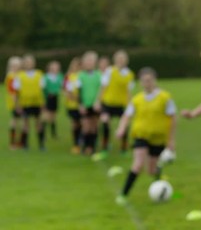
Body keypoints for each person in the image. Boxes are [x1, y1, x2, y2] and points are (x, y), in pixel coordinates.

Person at [115, 67, 177, 205]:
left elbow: (172, 118)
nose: (147, 83)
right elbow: (126, 116)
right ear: (141, 82)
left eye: (149, 80)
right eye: (144, 81)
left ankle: (162, 191)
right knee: (137, 164)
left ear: (155, 81)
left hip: (158, 138)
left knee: (152, 170)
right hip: (141, 136)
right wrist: (121, 128)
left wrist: (171, 140)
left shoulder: (164, 97)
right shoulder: (137, 99)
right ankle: (123, 194)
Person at [98, 50, 135, 155]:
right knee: (105, 122)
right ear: (115, 60)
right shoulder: (109, 71)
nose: (120, 61)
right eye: (118, 59)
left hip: (121, 104)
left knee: (124, 125)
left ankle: (123, 147)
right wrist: (99, 101)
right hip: (108, 103)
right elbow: (103, 87)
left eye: (122, 59)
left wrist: (131, 104)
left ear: (126, 61)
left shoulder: (129, 74)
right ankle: (105, 146)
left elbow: (129, 91)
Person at [13, 54, 46, 151]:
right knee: (25, 124)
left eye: (31, 62)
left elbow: (42, 89)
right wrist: (17, 104)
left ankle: (41, 145)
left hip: (37, 103)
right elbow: (16, 92)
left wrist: (43, 103)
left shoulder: (39, 74)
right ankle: (25, 145)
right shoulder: (20, 76)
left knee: (39, 123)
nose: (29, 64)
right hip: (25, 103)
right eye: (27, 62)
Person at [76, 51, 102, 155]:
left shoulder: (99, 75)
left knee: (94, 126)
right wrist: (80, 104)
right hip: (85, 104)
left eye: (91, 61)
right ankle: (85, 146)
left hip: (95, 104)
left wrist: (98, 102)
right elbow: (79, 91)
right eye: (87, 61)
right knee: (86, 126)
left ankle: (92, 147)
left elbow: (101, 90)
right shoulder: (81, 76)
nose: (89, 63)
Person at [64, 57, 82, 154]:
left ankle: (82, 142)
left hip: (82, 104)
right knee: (75, 123)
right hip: (73, 105)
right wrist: (76, 98)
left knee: (83, 124)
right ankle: (76, 144)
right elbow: (67, 91)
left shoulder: (82, 75)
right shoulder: (69, 76)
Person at [4, 56, 22, 150]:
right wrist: (17, 104)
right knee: (15, 121)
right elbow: (12, 93)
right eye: (15, 65)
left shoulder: (18, 75)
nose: (17, 67)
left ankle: (18, 141)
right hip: (15, 103)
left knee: (19, 121)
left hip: (20, 101)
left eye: (18, 65)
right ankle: (13, 143)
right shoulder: (11, 76)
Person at [43, 60, 64, 139]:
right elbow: (43, 88)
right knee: (47, 115)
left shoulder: (59, 76)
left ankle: (53, 133)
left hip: (55, 97)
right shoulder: (46, 77)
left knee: (54, 116)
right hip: (48, 97)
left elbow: (62, 87)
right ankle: (43, 132)